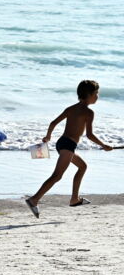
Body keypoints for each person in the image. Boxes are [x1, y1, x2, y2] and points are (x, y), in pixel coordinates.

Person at [25, 80, 113, 217]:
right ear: (89, 94)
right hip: (68, 145)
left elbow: (53, 123)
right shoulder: (89, 113)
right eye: (96, 93)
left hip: (62, 143)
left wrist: (48, 137)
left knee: (82, 166)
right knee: (57, 176)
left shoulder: (71, 108)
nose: (97, 96)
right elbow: (89, 135)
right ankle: (34, 199)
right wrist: (104, 145)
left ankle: (74, 199)